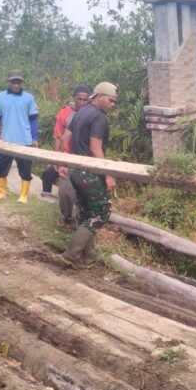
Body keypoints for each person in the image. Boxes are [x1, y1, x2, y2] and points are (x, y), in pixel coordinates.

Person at [60, 82, 118, 269]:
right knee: (101, 214)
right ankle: (71, 253)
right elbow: (95, 148)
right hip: (90, 173)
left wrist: (64, 162)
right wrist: (108, 175)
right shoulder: (99, 118)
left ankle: (89, 257)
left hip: (76, 170)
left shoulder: (79, 112)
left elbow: (64, 140)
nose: (112, 105)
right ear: (99, 96)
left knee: (86, 214)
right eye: (110, 100)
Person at [44, 84, 91, 225]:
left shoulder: (92, 114)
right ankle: (66, 216)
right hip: (67, 157)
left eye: (85, 100)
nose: (82, 102)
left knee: (85, 192)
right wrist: (57, 159)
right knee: (66, 191)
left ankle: (82, 219)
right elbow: (58, 137)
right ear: (73, 98)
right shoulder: (64, 113)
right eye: (79, 99)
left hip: (86, 158)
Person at [0, 70, 38, 203]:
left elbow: (33, 119)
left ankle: (24, 195)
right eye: (13, 82)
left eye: (18, 83)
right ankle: (1, 192)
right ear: (9, 82)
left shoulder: (29, 97)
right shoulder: (0, 97)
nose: (16, 85)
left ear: (22, 83)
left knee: (25, 169)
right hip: (5, 139)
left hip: (24, 139)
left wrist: (35, 138)